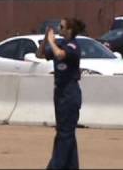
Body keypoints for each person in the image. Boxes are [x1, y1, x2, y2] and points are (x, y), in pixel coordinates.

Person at [36, 18, 86, 169]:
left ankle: (55, 166)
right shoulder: (60, 44)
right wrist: (46, 39)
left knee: (64, 134)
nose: (59, 28)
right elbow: (40, 54)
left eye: (62, 26)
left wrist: (52, 42)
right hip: (60, 92)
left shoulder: (73, 46)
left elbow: (60, 55)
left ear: (69, 30)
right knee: (66, 133)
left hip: (70, 93)